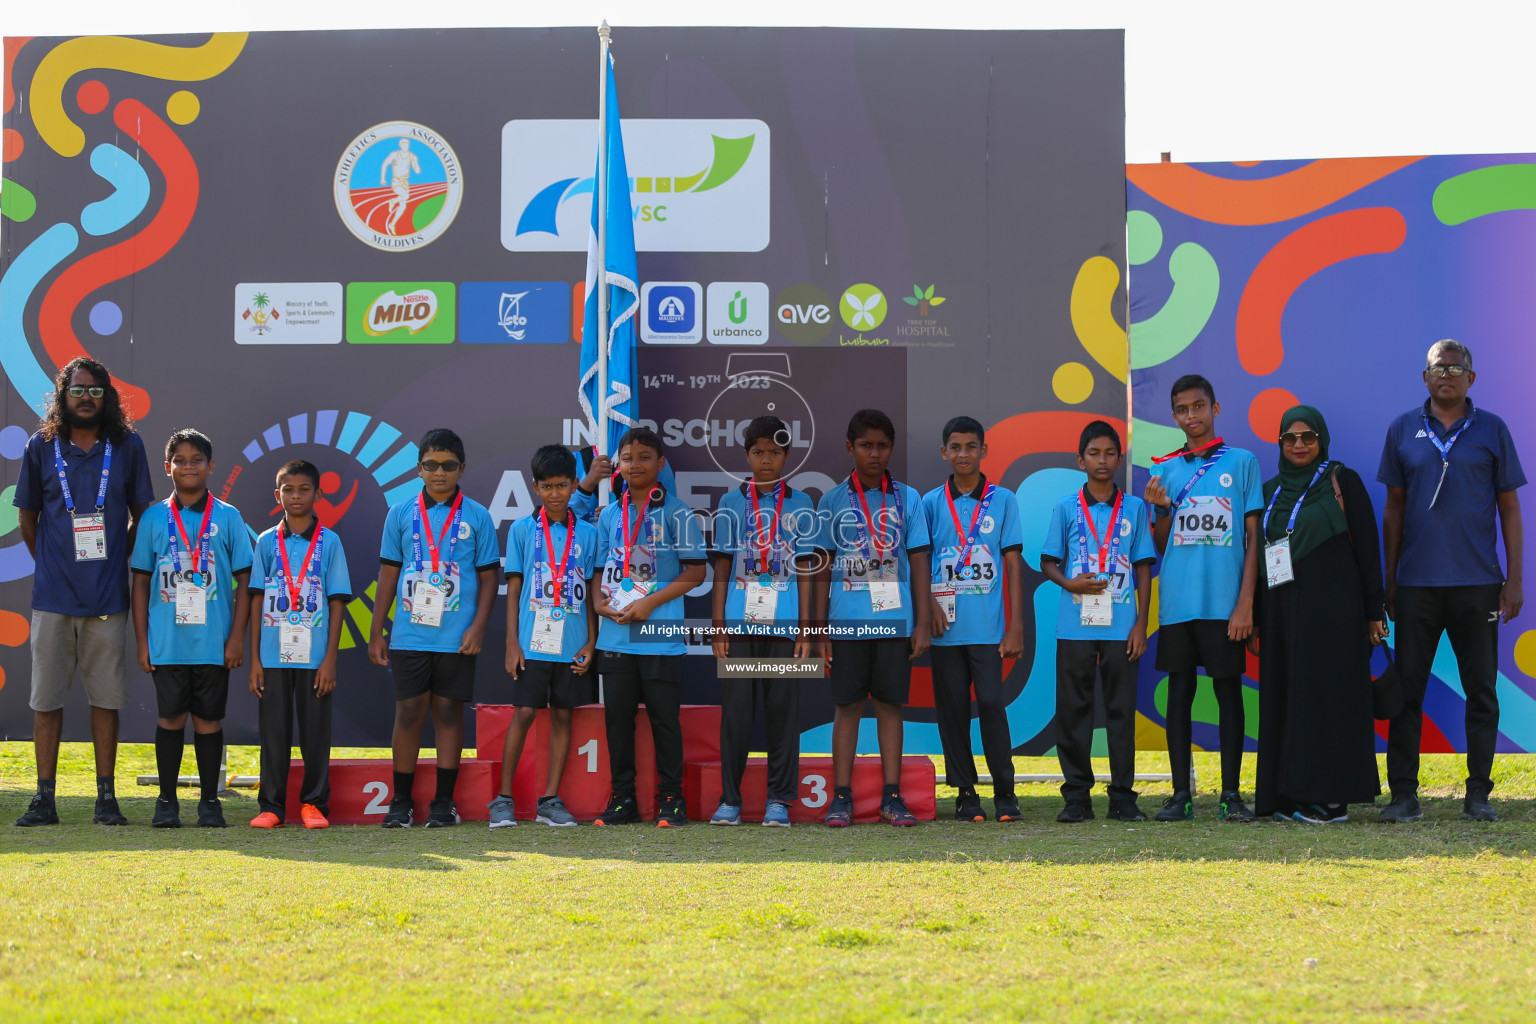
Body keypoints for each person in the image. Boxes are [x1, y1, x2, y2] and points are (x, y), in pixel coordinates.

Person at [1378, 340, 1524, 823]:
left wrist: (1514, 580)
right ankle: (1403, 794)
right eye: (1439, 368)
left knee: (1481, 690)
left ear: (1471, 379)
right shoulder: (1402, 429)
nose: (1448, 375)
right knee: (1407, 691)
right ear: (1426, 377)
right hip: (1417, 585)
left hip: (1478, 584)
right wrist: (1391, 580)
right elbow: (1394, 510)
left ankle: (1478, 792)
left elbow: (1509, 509)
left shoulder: (1492, 430)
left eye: (1458, 368)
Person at [12, 358, 155, 827]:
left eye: (95, 391)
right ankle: (43, 799)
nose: (86, 398)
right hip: (52, 600)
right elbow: (27, 519)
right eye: (78, 390)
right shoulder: (41, 445)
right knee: (45, 702)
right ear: (63, 395)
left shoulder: (127, 445)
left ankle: (106, 799)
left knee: (106, 702)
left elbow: (142, 516)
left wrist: (115, 559)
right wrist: (54, 563)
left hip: (107, 602)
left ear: (107, 397)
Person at [1254, 408, 1386, 823]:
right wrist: (1259, 618)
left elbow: (1368, 549)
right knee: (1288, 698)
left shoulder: (1341, 482)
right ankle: (1288, 796)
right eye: (1289, 438)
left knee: (1328, 698)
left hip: (1334, 614)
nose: (1298, 445)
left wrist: (1372, 613)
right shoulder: (1270, 490)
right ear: (1279, 442)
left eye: (1308, 437)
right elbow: (1257, 559)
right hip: (1281, 614)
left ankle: (1332, 801)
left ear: (1321, 440)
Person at [1144, 374, 1263, 822]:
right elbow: (1161, 543)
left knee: (1229, 694)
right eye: (1182, 410)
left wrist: (1245, 604)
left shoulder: (1244, 462)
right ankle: (1181, 795)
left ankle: (1231, 795)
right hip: (1178, 601)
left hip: (1225, 604)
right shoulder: (1166, 469)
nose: (1191, 416)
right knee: (1179, 695)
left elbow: (1253, 538)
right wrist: (1158, 508)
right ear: (1173, 415)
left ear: (1216, 408)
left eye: (1199, 406)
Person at [368, 429, 501, 828]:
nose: (439, 473)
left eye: (447, 466)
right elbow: (389, 573)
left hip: (457, 636)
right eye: (430, 465)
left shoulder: (477, 515)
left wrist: (478, 626)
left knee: (447, 711)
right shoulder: (400, 512)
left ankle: (444, 802)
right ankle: (401, 801)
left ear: (461, 468)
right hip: (410, 632)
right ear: (419, 469)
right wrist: (378, 630)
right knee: (408, 712)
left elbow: (490, 577)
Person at [814, 409, 932, 827]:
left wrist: (920, 622)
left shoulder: (908, 498)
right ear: (850, 448)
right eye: (866, 445)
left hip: (893, 621)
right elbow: (821, 567)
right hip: (846, 622)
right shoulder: (832, 500)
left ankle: (892, 796)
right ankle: (841, 797)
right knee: (846, 708)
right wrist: (818, 630)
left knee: (889, 706)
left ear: (892, 448)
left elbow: (919, 561)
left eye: (883, 445)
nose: (875, 453)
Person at [130, 429, 253, 828]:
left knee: (208, 721)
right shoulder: (151, 518)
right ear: (167, 468)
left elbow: (246, 580)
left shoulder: (229, 517)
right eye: (180, 460)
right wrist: (142, 641)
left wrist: (236, 637)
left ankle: (209, 802)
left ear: (211, 466)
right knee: (170, 719)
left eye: (196, 459)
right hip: (166, 641)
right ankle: (166, 801)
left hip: (213, 643)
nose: (188, 466)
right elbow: (140, 581)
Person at [590, 427, 707, 827]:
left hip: (659, 637)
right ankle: (622, 798)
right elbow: (599, 571)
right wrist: (598, 603)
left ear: (660, 464)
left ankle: (671, 799)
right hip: (616, 636)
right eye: (627, 458)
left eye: (643, 457)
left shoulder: (677, 512)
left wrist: (649, 604)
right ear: (617, 466)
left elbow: (696, 572)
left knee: (664, 721)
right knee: (618, 721)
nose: (634, 464)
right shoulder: (608, 514)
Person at [1040, 421, 1156, 823]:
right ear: (1080, 459)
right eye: (1094, 453)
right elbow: (1048, 561)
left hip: (1122, 628)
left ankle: (1123, 796)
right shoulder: (1065, 507)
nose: (1102, 460)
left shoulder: (1136, 508)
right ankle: (1076, 797)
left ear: (1119, 459)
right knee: (1074, 711)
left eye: (1109, 453)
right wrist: (1069, 581)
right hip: (1074, 626)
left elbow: (1143, 567)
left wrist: (1141, 623)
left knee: (1121, 711)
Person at [708, 416, 817, 827]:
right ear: (747, 455)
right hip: (739, 625)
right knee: (736, 714)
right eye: (758, 452)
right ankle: (730, 800)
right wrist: (718, 624)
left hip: (785, 627)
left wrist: (807, 628)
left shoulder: (802, 504)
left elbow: (806, 570)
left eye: (774, 452)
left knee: (782, 713)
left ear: (787, 454)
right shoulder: (731, 503)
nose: (766, 459)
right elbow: (721, 569)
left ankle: (779, 801)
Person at [922, 416, 1025, 822]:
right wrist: (927, 603)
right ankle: (965, 792)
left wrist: (1015, 625)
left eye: (971, 446)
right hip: (944, 629)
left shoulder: (1004, 500)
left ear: (983, 451)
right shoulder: (930, 503)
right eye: (955, 447)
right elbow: (921, 562)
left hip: (988, 629)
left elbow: (1014, 564)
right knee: (951, 710)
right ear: (944, 453)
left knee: (992, 704)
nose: (962, 454)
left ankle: (1005, 791)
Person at [489, 445, 599, 829]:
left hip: (572, 643)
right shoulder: (521, 529)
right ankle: (502, 798)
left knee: (563, 718)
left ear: (573, 486)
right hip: (531, 643)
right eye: (548, 486)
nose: (555, 494)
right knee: (523, 714)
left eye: (563, 486)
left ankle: (550, 800)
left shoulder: (588, 533)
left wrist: (591, 642)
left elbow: (592, 592)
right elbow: (514, 590)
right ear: (535, 487)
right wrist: (511, 643)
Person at [247, 461, 353, 829]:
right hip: (272, 655)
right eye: (288, 490)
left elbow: (337, 601)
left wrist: (330, 660)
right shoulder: (264, 542)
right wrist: (255, 659)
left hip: (315, 655)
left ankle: (314, 804)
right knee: (273, 731)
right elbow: (257, 600)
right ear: (277, 496)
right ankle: (272, 807)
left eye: (304, 489)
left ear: (318, 495)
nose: (296, 496)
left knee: (314, 732)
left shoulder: (330, 542)